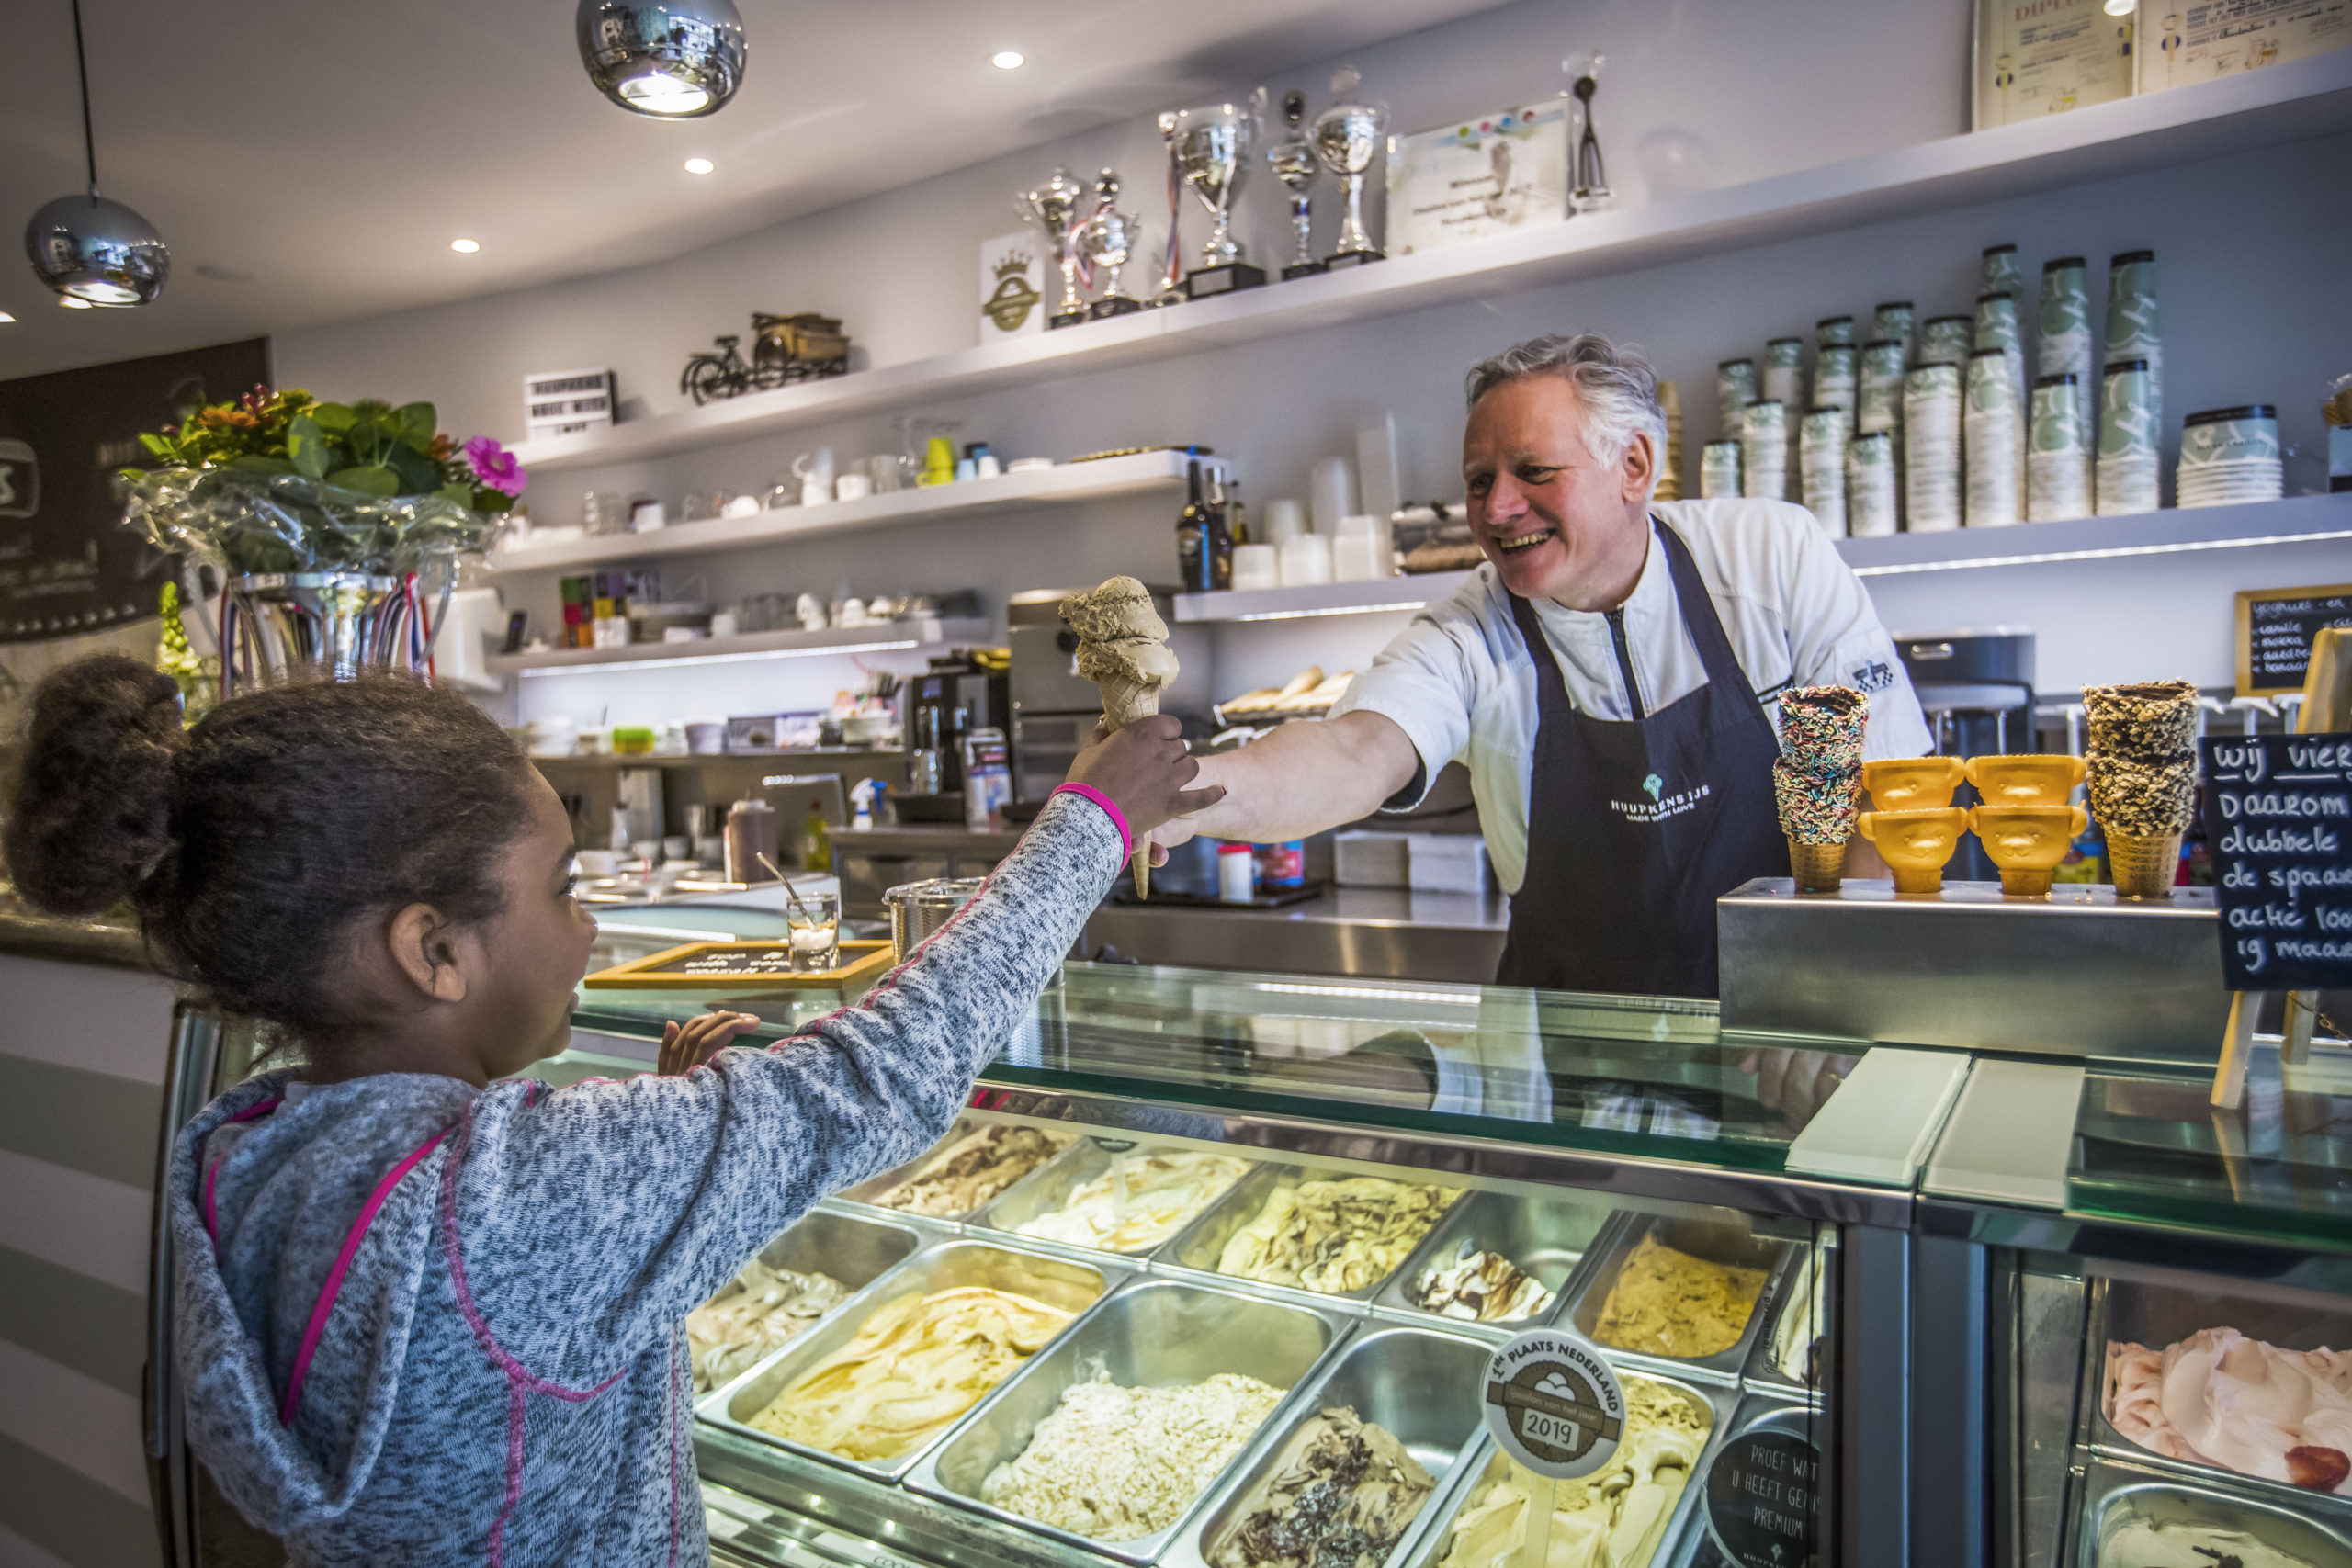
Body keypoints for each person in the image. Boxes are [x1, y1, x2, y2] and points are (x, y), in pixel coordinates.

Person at [2, 656, 1216, 1565]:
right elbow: (880, 1074)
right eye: (563, 887)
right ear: (431, 948)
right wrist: (1092, 821)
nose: (588, 924)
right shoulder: (519, 1194)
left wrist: (680, 1118)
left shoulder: (251, 1144)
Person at [1160, 333, 1929, 997]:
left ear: (1633, 465)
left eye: (1534, 472)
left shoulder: (1770, 558)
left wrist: (1833, 995)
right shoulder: (1474, 629)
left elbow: (1881, 792)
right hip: (1570, 1066)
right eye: (1479, 481)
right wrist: (1169, 795)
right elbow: (1354, 750)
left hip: (1781, 1022)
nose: (1496, 510)